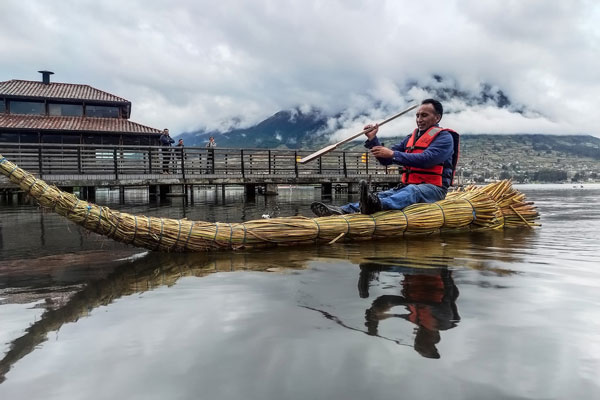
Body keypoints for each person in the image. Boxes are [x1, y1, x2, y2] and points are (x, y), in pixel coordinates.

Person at [311, 99, 460, 216]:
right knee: (384, 193)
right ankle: (342, 211)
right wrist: (373, 140)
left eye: (424, 115)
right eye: (417, 115)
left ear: (437, 117)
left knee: (412, 191)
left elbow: (428, 159)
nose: (419, 119)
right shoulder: (410, 138)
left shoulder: (445, 138)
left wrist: (393, 154)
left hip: (433, 190)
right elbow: (386, 159)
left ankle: (377, 206)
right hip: (408, 186)